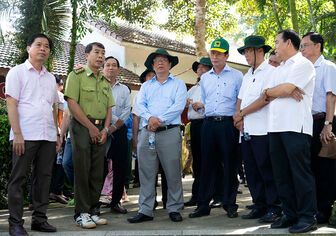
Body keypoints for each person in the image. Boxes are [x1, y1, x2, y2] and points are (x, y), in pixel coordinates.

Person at [5, 33, 60, 235]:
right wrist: (17, 134)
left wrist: (57, 134)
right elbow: (11, 103)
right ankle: (15, 223)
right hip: (25, 134)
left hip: (47, 135)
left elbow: (53, 107)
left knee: (43, 178)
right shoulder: (17, 72)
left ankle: (39, 219)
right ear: (29, 48)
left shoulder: (50, 77)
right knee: (18, 178)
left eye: (46, 46)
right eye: (38, 45)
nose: (43, 48)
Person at [264, 29, 317, 233]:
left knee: (299, 173)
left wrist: (283, 89)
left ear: (288, 43)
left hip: (296, 126)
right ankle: (290, 213)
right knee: (281, 174)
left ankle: (307, 216)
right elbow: (267, 94)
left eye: (277, 42)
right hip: (275, 127)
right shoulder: (278, 69)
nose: (275, 46)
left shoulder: (303, 63)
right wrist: (277, 90)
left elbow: (284, 90)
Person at [127, 48, 187, 223]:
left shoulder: (178, 84)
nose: (160, 63)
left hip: (169, 131)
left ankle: (174, 208)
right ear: (153, 65)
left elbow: (178, 106)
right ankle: (145, 210)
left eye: (164, 60)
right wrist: (150, 119)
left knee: (172, 172)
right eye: (156, 61)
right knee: (146, 172)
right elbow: (141, 106)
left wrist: (158, 120)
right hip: (147, 132)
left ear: (169, 64)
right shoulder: (146, 86)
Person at [189, 38, 243, 219]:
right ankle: (203, 204)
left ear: (227, 55)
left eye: (219, 53)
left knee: (229, 165)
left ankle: (230, 203)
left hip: (228, 124)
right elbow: (206, 100)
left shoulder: (237, 76)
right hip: (209, 124)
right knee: (206, 165)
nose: (215, 57)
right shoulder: (205, 78)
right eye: (212, 53)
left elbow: (240, 101)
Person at [64, 42, 115, 229]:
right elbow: (71, 103)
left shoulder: (104, 80)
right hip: (82, 126)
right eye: (97, 52)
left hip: (101, 128)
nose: (101, 56)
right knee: (82, 169)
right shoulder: (76, 75)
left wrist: (105, 129)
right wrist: (90, 128)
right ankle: (81, 213)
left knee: (97, 171)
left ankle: (93, 210)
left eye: (103, 53)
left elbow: (109, 107)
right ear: (87, 55)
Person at [234, 35, 281, 223]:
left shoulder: (271, 72)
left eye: (248, 51)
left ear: (260, 51)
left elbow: (265, 99)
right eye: (244, 51)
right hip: (245, 130)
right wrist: (237, 116)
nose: (245, 54)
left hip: (263, 129)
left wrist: (242, 113)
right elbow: (240, 99)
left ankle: (274, 207)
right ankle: (259, 205)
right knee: (251, 171)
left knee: (266, 169)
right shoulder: (248, 75)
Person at [301, 32, 336, 224]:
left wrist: (327, 125)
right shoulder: (305, 68)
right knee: (310, 166)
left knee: (325, 168)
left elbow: (331, 97)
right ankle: (312, 207)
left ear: (318, 46)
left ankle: (325, 209)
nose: (303, 49)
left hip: (323, 121)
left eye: (305, 45)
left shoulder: (328, 67)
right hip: (307, 122)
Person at [101, 56, 131, 214]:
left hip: (119, 131)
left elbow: (127, 111)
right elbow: (102, 109)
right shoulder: (98, 86)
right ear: (103, 68)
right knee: (99, 167)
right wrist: (109, 125)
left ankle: (116, 202)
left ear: (118, 69)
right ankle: (94, 202)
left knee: (120, 168)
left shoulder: (124, 89)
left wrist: (113, 127)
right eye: (108, 65)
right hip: (100, 130)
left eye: (114, 65)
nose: (111, 68)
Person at [184, 57, 212, 207]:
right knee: (197, 161)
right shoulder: (193, 89)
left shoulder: (212, 86)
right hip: (194, 125)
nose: (200, 71)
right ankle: (197, 194)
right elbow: (184, 104)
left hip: (207, 122)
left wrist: (203, 106)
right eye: (199, 68)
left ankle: (214, 193)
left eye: (203, 68)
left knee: (210, 160)